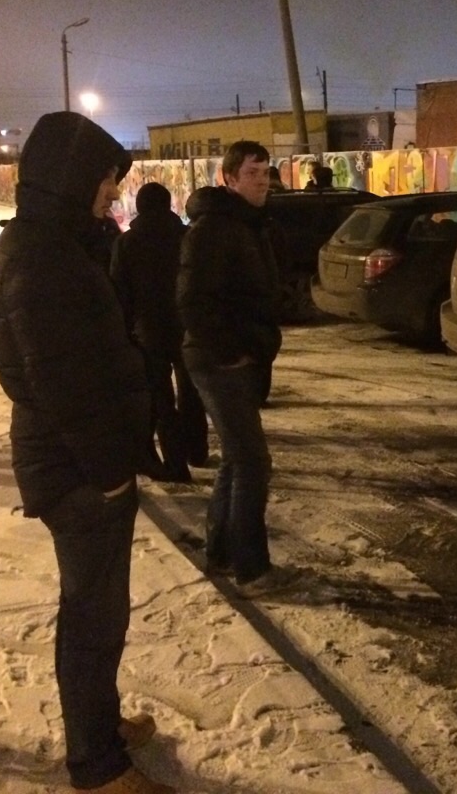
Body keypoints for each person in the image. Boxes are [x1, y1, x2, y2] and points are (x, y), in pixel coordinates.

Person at [0, 111, 174, 794]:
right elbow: (64, 385)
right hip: (78, 471)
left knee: (99, 610)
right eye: (103, 179)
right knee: (93, 617)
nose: (112, 192)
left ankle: (101, 724)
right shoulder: (42, 258)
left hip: (81, 463)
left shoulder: (54, 244)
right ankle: (97, 765)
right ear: (69, 177)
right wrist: (109, 474)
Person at [177, 140, 292, 597]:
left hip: (238, 357)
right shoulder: (212, 229)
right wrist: (231, 352)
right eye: (252, 174)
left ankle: (222, 552)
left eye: (266, 173)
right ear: (228, 178)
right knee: (252, 461)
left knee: (235, 458)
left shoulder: (249, 224)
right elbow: (192, 303)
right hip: (217, 360)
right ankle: (252, 569)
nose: (263, 182)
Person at [110, 182, 209, 483]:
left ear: (139, 207)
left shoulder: (127, 243)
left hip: (149, 332)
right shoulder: (187, 237)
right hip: (187, 326)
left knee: (162, 400)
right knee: (192, 393)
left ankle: (176, 464)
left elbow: (120, 292)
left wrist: (127, 331)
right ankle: (197, 450)